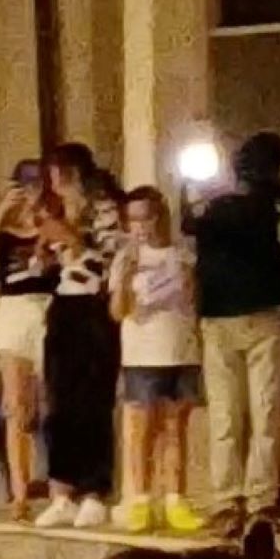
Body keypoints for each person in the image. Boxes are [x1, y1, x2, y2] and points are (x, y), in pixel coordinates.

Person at [184, 131, 280, 540]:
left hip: (223, 316)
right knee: (264, 410)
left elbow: (191, 223)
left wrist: (201, 190)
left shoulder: (223, 208)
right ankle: (258, 498)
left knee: (227, 413)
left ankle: (229, 499)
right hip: (262, 312)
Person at [34, 143, 125, 530]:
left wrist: (72, 237)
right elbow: (45, 266)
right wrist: (45, 251)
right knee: (59, 402)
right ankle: (61, 490)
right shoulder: (56, 211)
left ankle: (93, 489)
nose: (55, 183)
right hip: (63, 307)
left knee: (91, 401)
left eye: (59, 174)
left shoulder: (103, 208)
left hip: (94, 309)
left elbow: (110, 258)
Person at [109, 186, 205, 534]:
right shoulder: (124, 259)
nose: (140, 227)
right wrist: (127, 276)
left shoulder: (182, 253)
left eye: (145, 217)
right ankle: (140, 500)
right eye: (132, 220)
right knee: (141, 428)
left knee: (174, 426)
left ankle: (175, 499)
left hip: (179, 348)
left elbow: (193, 300)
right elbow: (118, 311)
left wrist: (186, 276)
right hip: (142, 352)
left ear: (159, 216)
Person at [0, 158, 55, 521]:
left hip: (47, 307)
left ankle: (58, 487)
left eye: (36, 184)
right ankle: (20, 492)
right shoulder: (6, 235)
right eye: (24, 185)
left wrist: (45, 224)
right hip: (13, 311)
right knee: (16, 407)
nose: (31, 192)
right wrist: (0, 213)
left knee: (51, 402)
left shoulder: (53, 225)